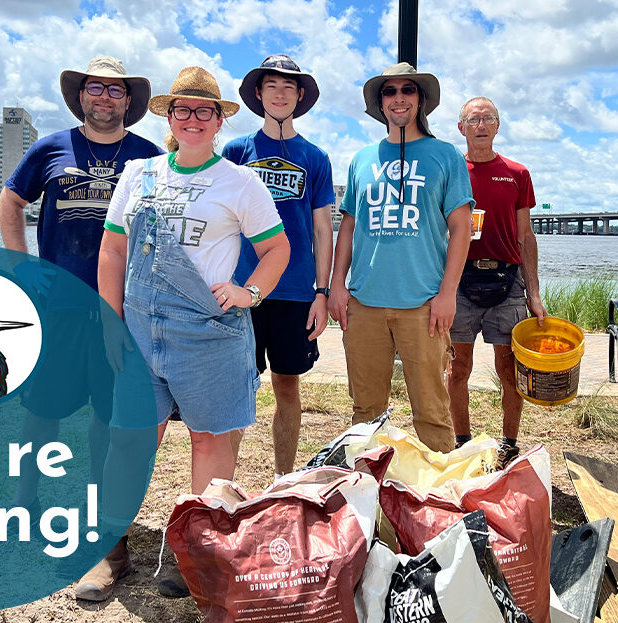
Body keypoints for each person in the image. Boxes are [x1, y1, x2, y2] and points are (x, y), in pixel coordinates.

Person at [98, 66, 290, 597]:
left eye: (205, 110)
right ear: (168, 116)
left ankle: (196, 554)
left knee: (209, 439)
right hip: (138, 327)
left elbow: (277, 250)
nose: (193, 119)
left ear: (219, 120)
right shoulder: (138, 174)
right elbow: (114, 249)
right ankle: (108, 552)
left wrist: (249, 292)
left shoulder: (240, 182)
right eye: (182, 109)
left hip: (208, 335)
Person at [0, 55, 163, 602]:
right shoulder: (50, 148)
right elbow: (11, 200)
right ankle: (25, 501)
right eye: (97, 88)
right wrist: (22, 265)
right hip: (59, 309)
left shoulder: (148, 158)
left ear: (128, 101)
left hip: (120, 312)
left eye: (116, 91)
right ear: (83, 95)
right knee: (41, 409)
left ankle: (106, 544)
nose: (106, 98)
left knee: (107, 420)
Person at [328, 63, 474, 453]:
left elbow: (461, 228)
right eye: (389, 92)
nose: (398, 98)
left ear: (420, 100)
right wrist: (336, 285)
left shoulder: (445, 156)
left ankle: (440, 503)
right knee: (365, 413)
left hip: (423, 307)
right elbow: (348, 228)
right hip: (365, 305)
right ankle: (370, 494)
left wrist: (448, 294)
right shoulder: (362, 159)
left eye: (407, 90)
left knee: (431, 412)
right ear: (380, 104)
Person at [223, 55, 335, 477]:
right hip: (243, 291)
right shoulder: (236, 151)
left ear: (300, 95)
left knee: (287, 386)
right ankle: (224, 482)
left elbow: (323, 230)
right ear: (258, 93)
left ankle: (282, 479)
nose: (280, 93)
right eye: (271, 85)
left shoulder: (315, 157)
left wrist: (321, 293)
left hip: (295, 294)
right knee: (237, 391)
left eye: (289, 87)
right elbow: (221, 222)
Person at [446, 96, 546, 467]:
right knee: (458, 368)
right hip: (459, 282)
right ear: (461, 128)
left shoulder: (517, 173)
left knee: (509, 370)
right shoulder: (450, 171)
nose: (481, 125)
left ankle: (509, 444)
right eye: (473, 120)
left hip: (507, 281)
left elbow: (526, 236)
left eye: (488, 118)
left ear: (498, 125)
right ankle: (461, 442)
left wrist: (534, 294)